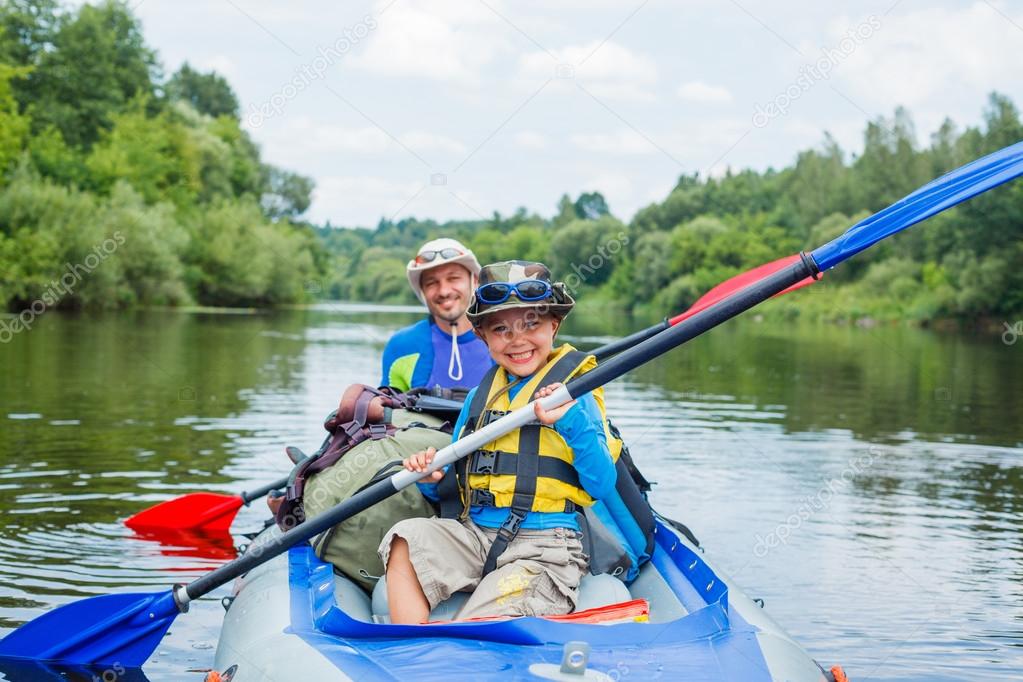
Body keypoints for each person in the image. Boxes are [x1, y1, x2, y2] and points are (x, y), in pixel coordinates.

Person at [378, 261, 617, 623]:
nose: (517, 339)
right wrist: (433, 481)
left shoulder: (574, 395)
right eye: (501, 329)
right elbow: (459, 485)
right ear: (484, 338)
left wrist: (570, 420)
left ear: (554, 325)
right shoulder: (479, 397)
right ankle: (414, 650)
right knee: (405, 538)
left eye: (532, 323)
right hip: (475, 536)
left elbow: (601, 484)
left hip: (545, 548)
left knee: (475, 625)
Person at [380, 238, 493, 392]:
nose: (444, 291)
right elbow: (388, 408)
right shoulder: (401, 345)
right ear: (422, 291)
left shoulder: (503, 339)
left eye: (453, 278)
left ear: (474, 280)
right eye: (431, 283)